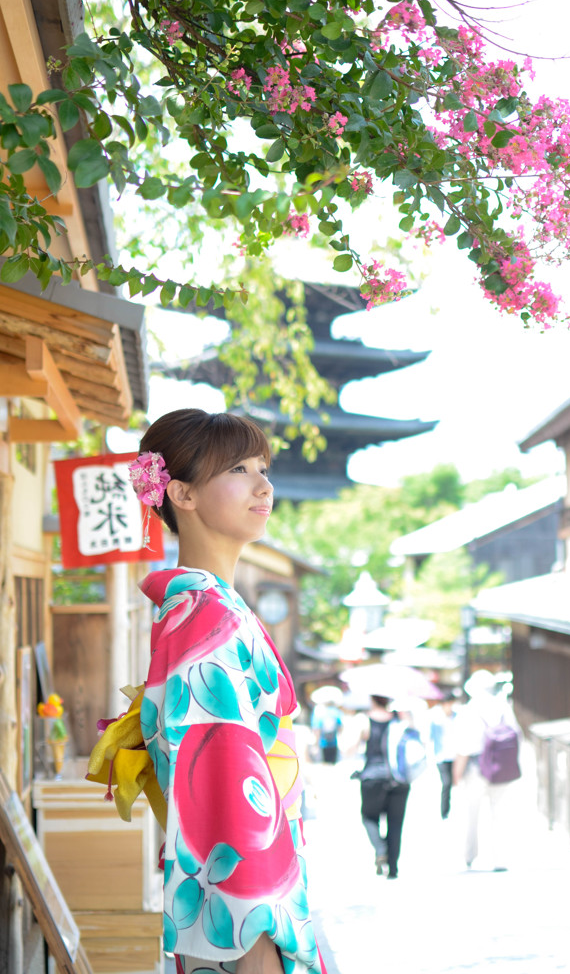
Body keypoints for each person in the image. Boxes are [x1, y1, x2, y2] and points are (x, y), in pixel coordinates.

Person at [127, 409, 326, 974]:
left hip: (238, 917)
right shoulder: (209, 617)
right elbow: (224, 788)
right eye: (239, 468)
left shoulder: (207, 609)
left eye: (263, 467)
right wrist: (261, 940)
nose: (265, 486)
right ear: (183, 494)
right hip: (246, 927)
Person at [453, 669, 521, 873]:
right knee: (499, 814)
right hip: (501, 767)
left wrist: (457, 773)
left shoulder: (469, 709)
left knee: (471, 815)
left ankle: (469, 856)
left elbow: (463, 746)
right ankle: (499, 859)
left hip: (475, 768)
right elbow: (517, 735)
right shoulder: (504, 707)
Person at [357, 694, 411, 880]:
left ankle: (380, 849)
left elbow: (349, 747)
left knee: (369, 817)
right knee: (395, 824)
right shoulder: (399, 719)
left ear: (372, 698)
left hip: (373, 778)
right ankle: (393, 868)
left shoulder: (365, 720)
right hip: (400, 779)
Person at [428, 693, 458, 820]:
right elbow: (430, 737)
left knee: (455, 782)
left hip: (455, 755)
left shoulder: (456, 716)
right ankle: (444, 811)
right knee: (446, 783)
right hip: (441, 756)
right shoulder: (436, 718)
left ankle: (452, 808)